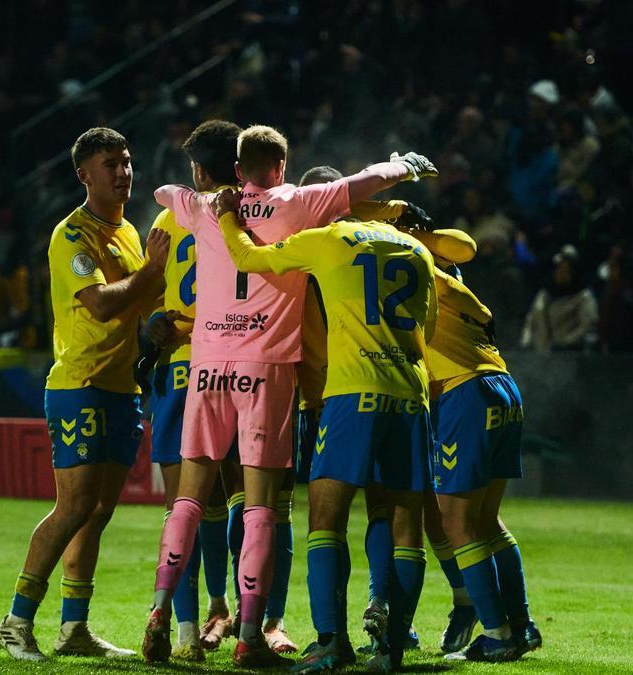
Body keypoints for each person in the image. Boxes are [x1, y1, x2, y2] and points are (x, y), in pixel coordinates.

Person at [141, 124, 437, 668]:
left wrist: (211, 200)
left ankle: (160, 612)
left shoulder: (205, 206)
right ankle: (252, 635)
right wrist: (406, 164)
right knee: (262, 507)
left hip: (206, 366)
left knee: (187, 497)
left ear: (236, 168)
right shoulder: (299, 204)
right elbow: (364, 182)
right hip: (267, 369)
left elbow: (163, 193)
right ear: (281, 166)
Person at [212, 181, 439, 673]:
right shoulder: (418, 249)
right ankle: (393, 648)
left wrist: (228, 216)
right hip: (410, 395)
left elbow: (249, 259)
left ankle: (331, 642)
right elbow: (430, 328)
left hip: (351, 392)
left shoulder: (327, 239)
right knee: (405, 524)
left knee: (325, 516)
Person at [0, 127, 171, 661]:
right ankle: (16, 621)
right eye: (110, 164)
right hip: (80, 385)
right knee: (72, 508)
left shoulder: (131, 236)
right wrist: (154, 274)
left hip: (120, 389)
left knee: (97, 513)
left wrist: (155, 327)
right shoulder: (72, 234)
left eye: (127, 162)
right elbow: (98, 304)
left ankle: (74, 629)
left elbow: (134, 308)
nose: (123, 173)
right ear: (84, 175)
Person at [141, 119, 244, 661]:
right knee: (247, 503)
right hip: (240, 368)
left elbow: (152, 298)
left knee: (183, 503)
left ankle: (183, 630)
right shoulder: (255, 213)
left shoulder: (168, 216)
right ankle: (245, 618)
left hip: (182, 368)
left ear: (198, 171)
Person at [428, 262, 541, 663]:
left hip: (467, 394)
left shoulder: (427, 287)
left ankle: (496, 634)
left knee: (456, 521)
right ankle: (521, 624)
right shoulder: (469, 302)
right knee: (487, 520)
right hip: (504, 389)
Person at [520, 245, 598, 352]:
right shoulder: (544, 294)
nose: (561, 273)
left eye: (566, 269)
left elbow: (587, 327)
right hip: (541, 356)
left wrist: (566, 343)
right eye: (559, 268)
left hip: (569, 358)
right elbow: (531, 319)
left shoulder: (583, 297)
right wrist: (525, 343)